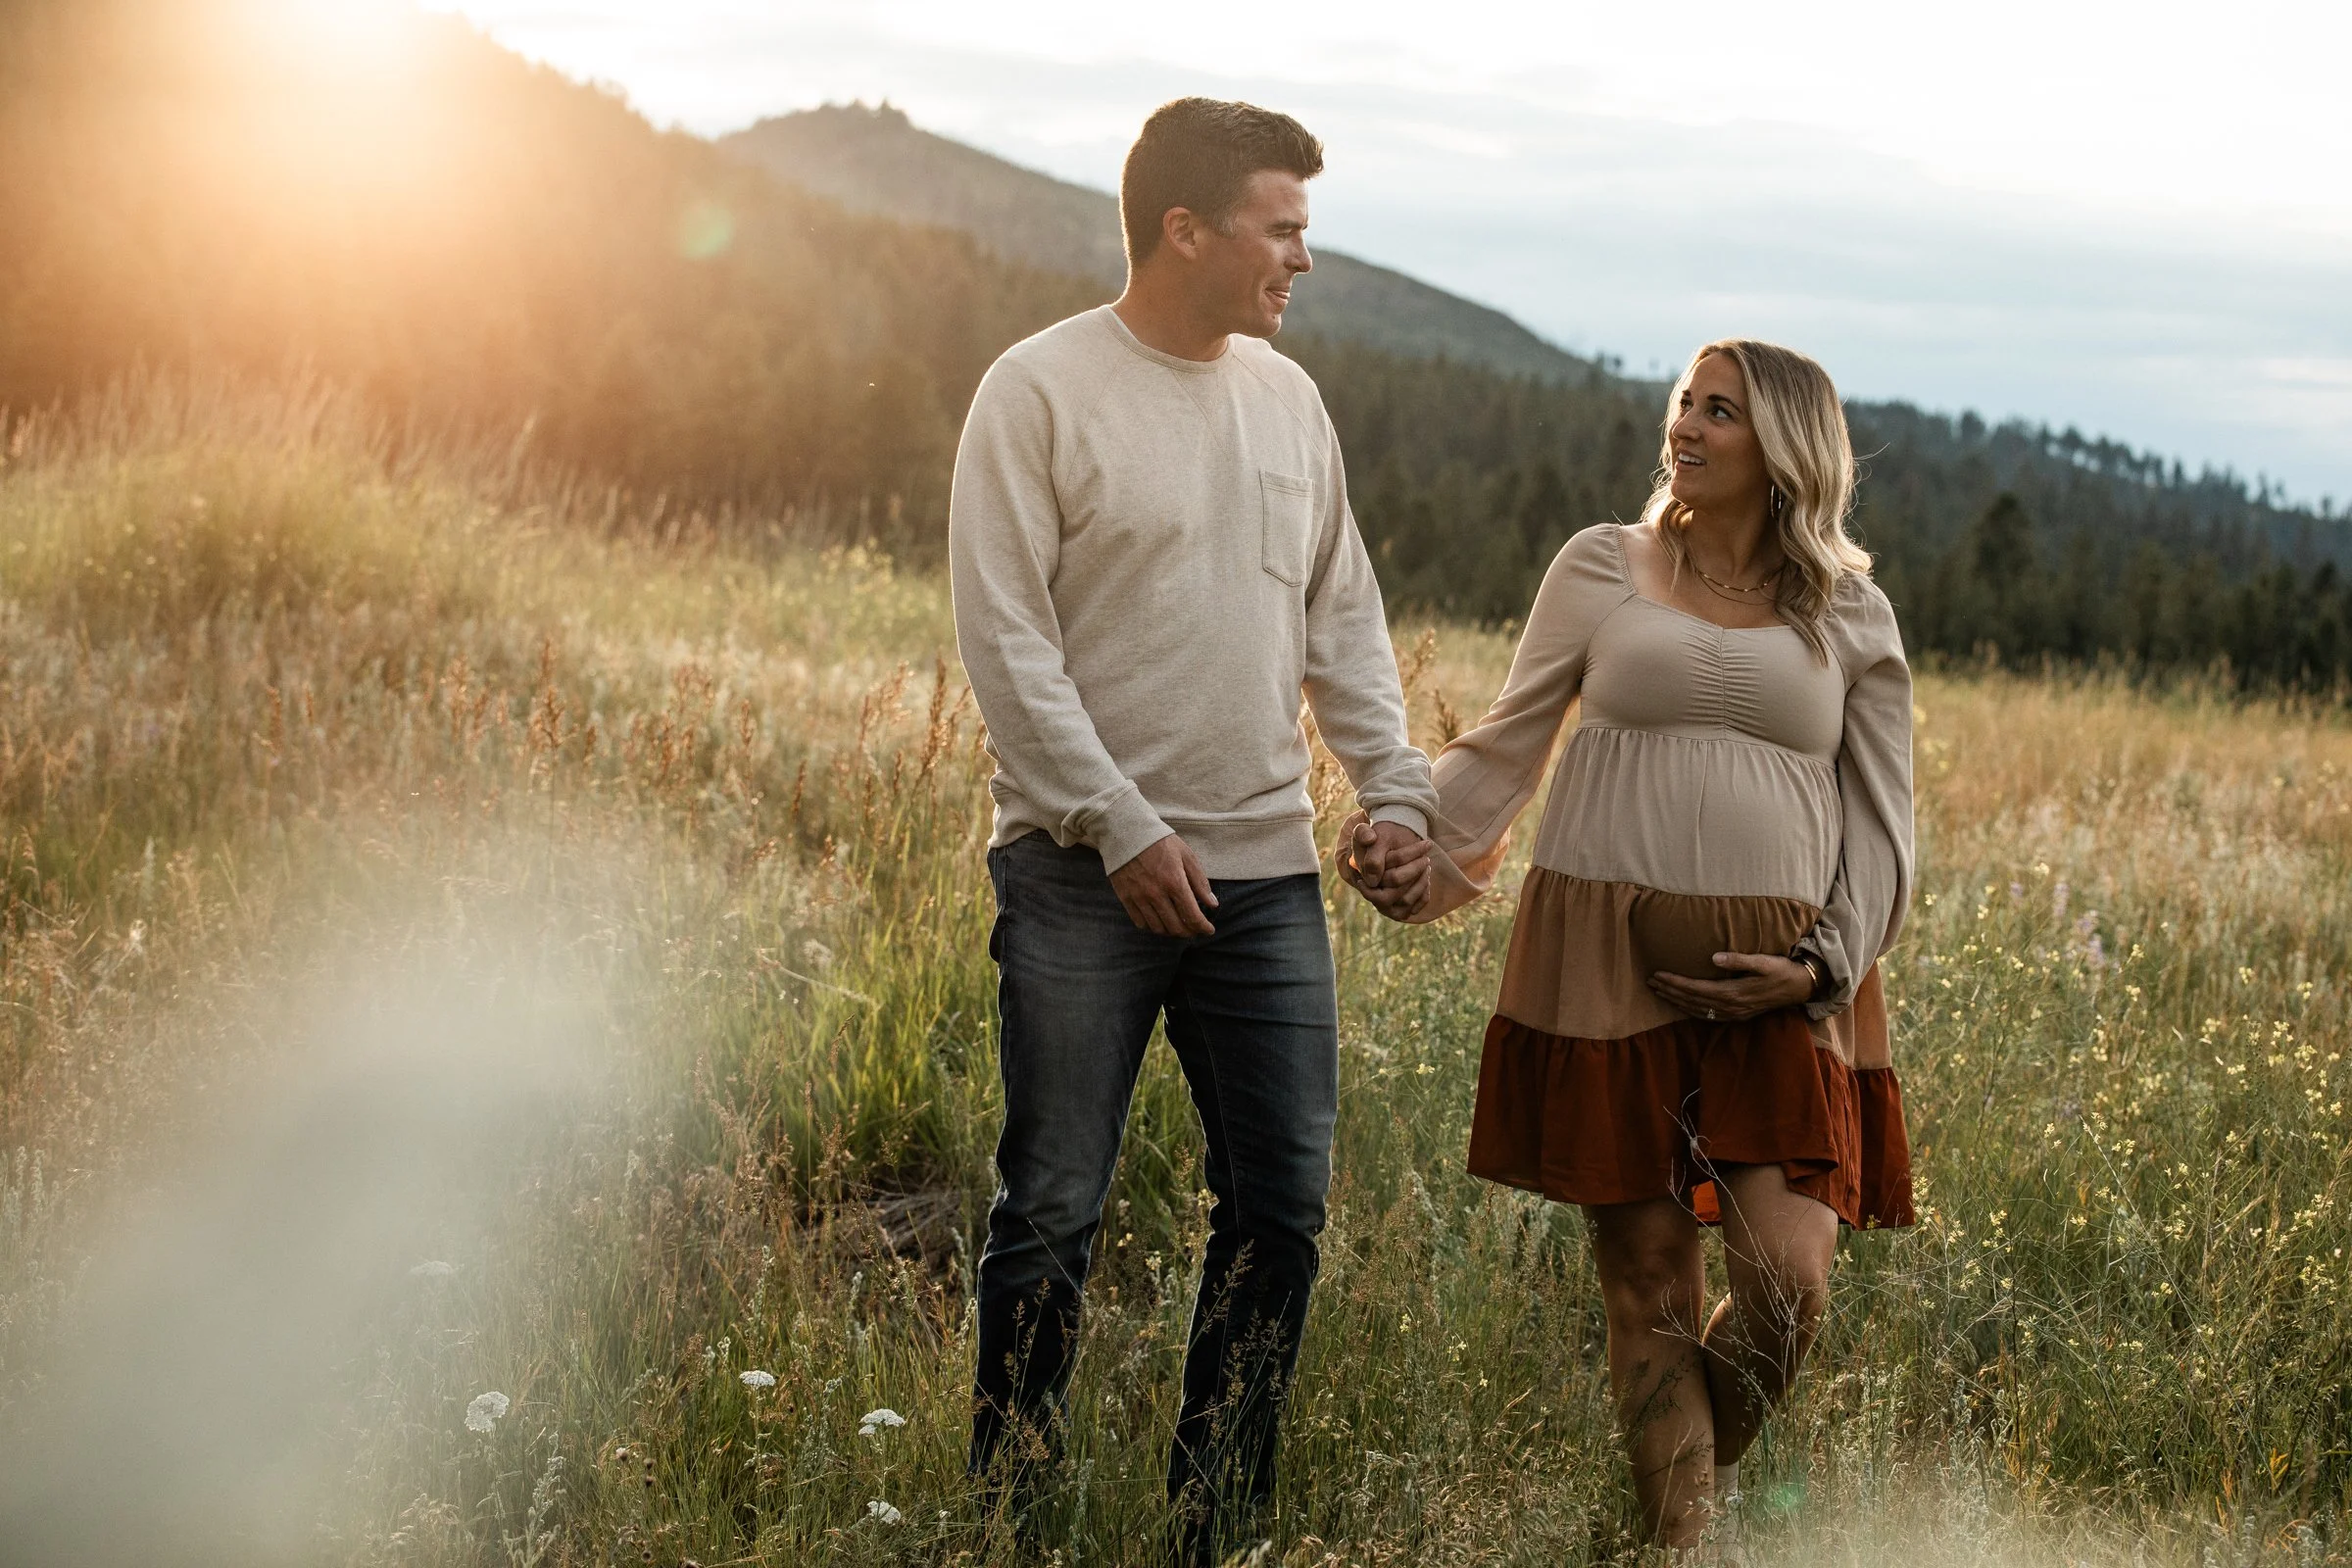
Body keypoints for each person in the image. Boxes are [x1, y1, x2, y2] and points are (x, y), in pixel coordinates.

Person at [949, 96, 1438, 1562]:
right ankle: (1012, 1521)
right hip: (1081, 878)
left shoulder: (1287, 400)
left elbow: (1342, 619)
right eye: (1282, 227)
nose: (1303, 256)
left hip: (1267, 880)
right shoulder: (1035, 393)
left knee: (1280, 1215)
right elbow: (1007, 643)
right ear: (1186, 229)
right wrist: (1118, 826)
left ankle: (1213, 1524)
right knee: (1049, 1216)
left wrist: (1393, 791)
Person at [1341, 339, 1917, 1552]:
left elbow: (1884, 825)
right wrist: (1413, 834)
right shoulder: (1603, 566)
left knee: (1789, 1288)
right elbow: (1507, 741)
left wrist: (1820, 967)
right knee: (1649, 1282)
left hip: (1786, 985)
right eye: (1684, 404)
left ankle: (1670, 1502)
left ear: (1786, 451)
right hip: (1606, 962)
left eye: (1723, 412)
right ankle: (1678, 1544)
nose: (1687, 427)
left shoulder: (1851, 614)